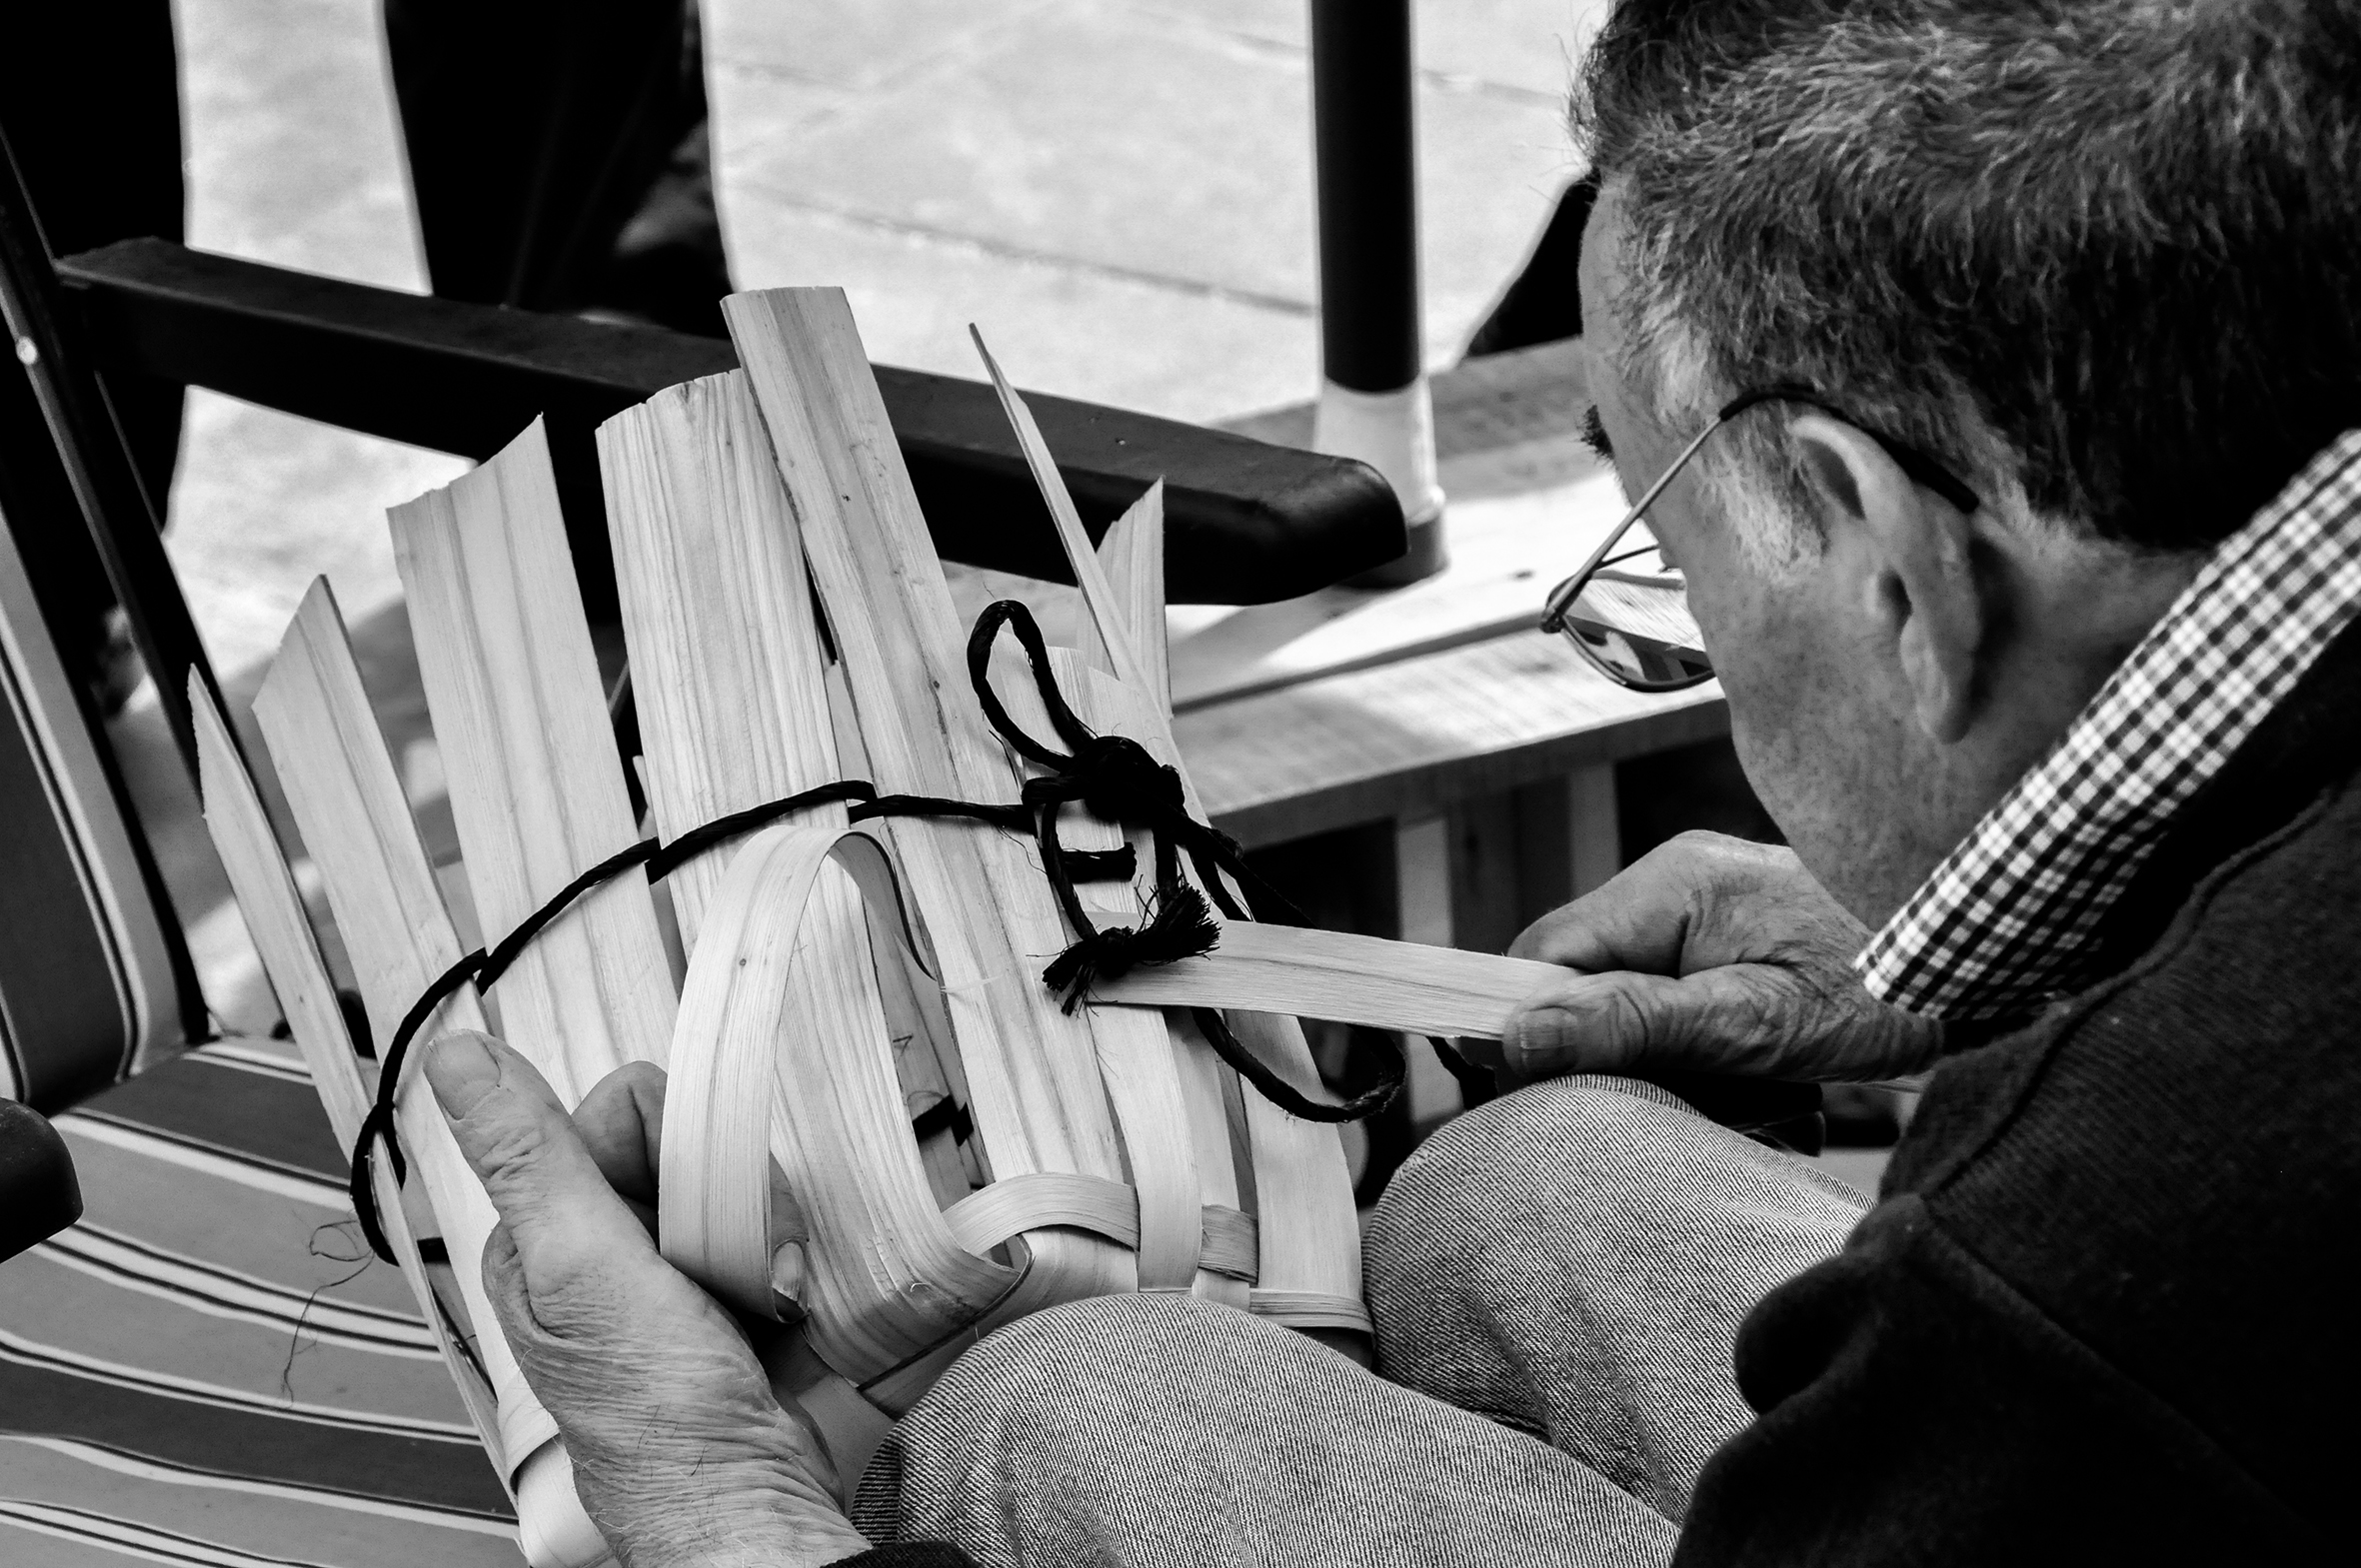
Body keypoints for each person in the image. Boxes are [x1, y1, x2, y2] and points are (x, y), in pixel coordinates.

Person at [420, 1, 2360, 1562]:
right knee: (1520, 1181)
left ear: (1886, 566)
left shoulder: (2078, 1255)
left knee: (1068, 1406)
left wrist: (720, 1508)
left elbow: (2125, 1265)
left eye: (1663, 565)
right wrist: (2042, 962)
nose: (1675, 619)